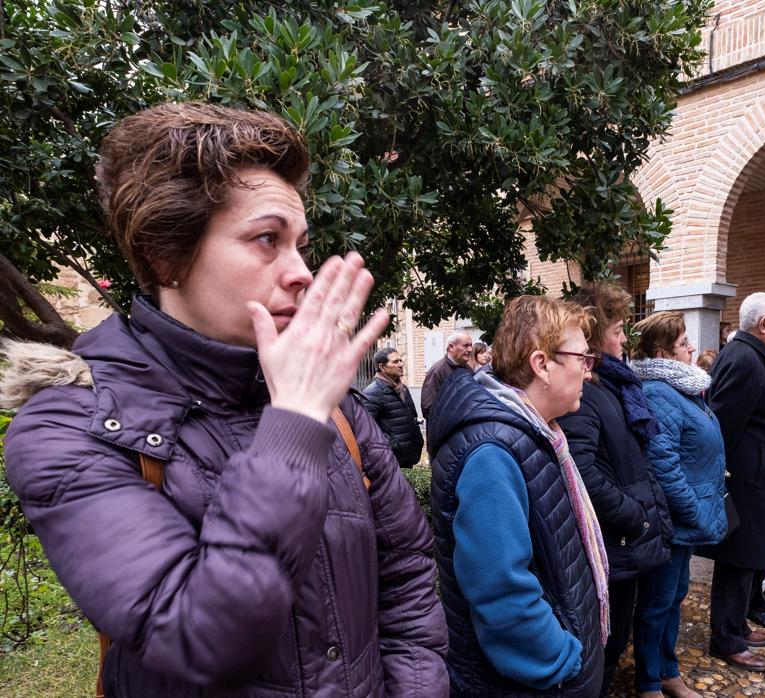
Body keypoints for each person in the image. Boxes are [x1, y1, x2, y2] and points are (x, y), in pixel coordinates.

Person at [0, 103, 449, 696]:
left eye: (301, 245)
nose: (302, 273)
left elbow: (406, 573)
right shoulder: (71, 423)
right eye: (268, 239)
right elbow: (195, 638)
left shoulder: (335, 411)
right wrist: (290, 427)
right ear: (167, 256)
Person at [426, 295, 607, 696]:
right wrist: (563, 662)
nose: (589, 373)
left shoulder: (536, 432)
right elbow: (501, 592)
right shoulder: (493, 452)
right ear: (542, 364)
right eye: (582, 359)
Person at [559, 283, 671, 694]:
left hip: (624, 536)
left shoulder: (612, 385)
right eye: (620, 329)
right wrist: (634, 516)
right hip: (614, 539)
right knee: (604, 647)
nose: (625, 338)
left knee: (616, 636)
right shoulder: (585, 393)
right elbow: (582, 470)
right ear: (593, 334)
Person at [632, 311, 728, 698]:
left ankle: (668, 672)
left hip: (690, 516)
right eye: (684, 343)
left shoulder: (684, 388)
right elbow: (663, 462)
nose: (692, 347)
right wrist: (692, 509)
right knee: (657, 602)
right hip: (676, 519)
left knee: (674, 597)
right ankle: (649, 681)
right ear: (663, 352)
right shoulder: (659, 392)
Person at [702, 292, 765, 673]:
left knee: (750, 558)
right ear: (763, 324)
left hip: (758, 479)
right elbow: (723, 426)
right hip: (744, 482)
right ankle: (726, 638)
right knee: (737, 561)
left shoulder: (756, 355)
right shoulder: (744, 358)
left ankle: (737, 623)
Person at [363, 346, 425, 467]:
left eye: (401, 360)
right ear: (382, 367)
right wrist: (393, 445)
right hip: (389, 461)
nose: (401, 364)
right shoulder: (372, 393)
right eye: (395, 362)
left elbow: (412, 417)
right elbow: (367, 430)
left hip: (407, 458)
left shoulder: (402, 389)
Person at [421, 329, 473, 422]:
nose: (470, 349)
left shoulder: (467, 369)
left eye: (470, 345)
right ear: (451, 347)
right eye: (465, 346)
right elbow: (429, 408)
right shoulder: (437, 371)